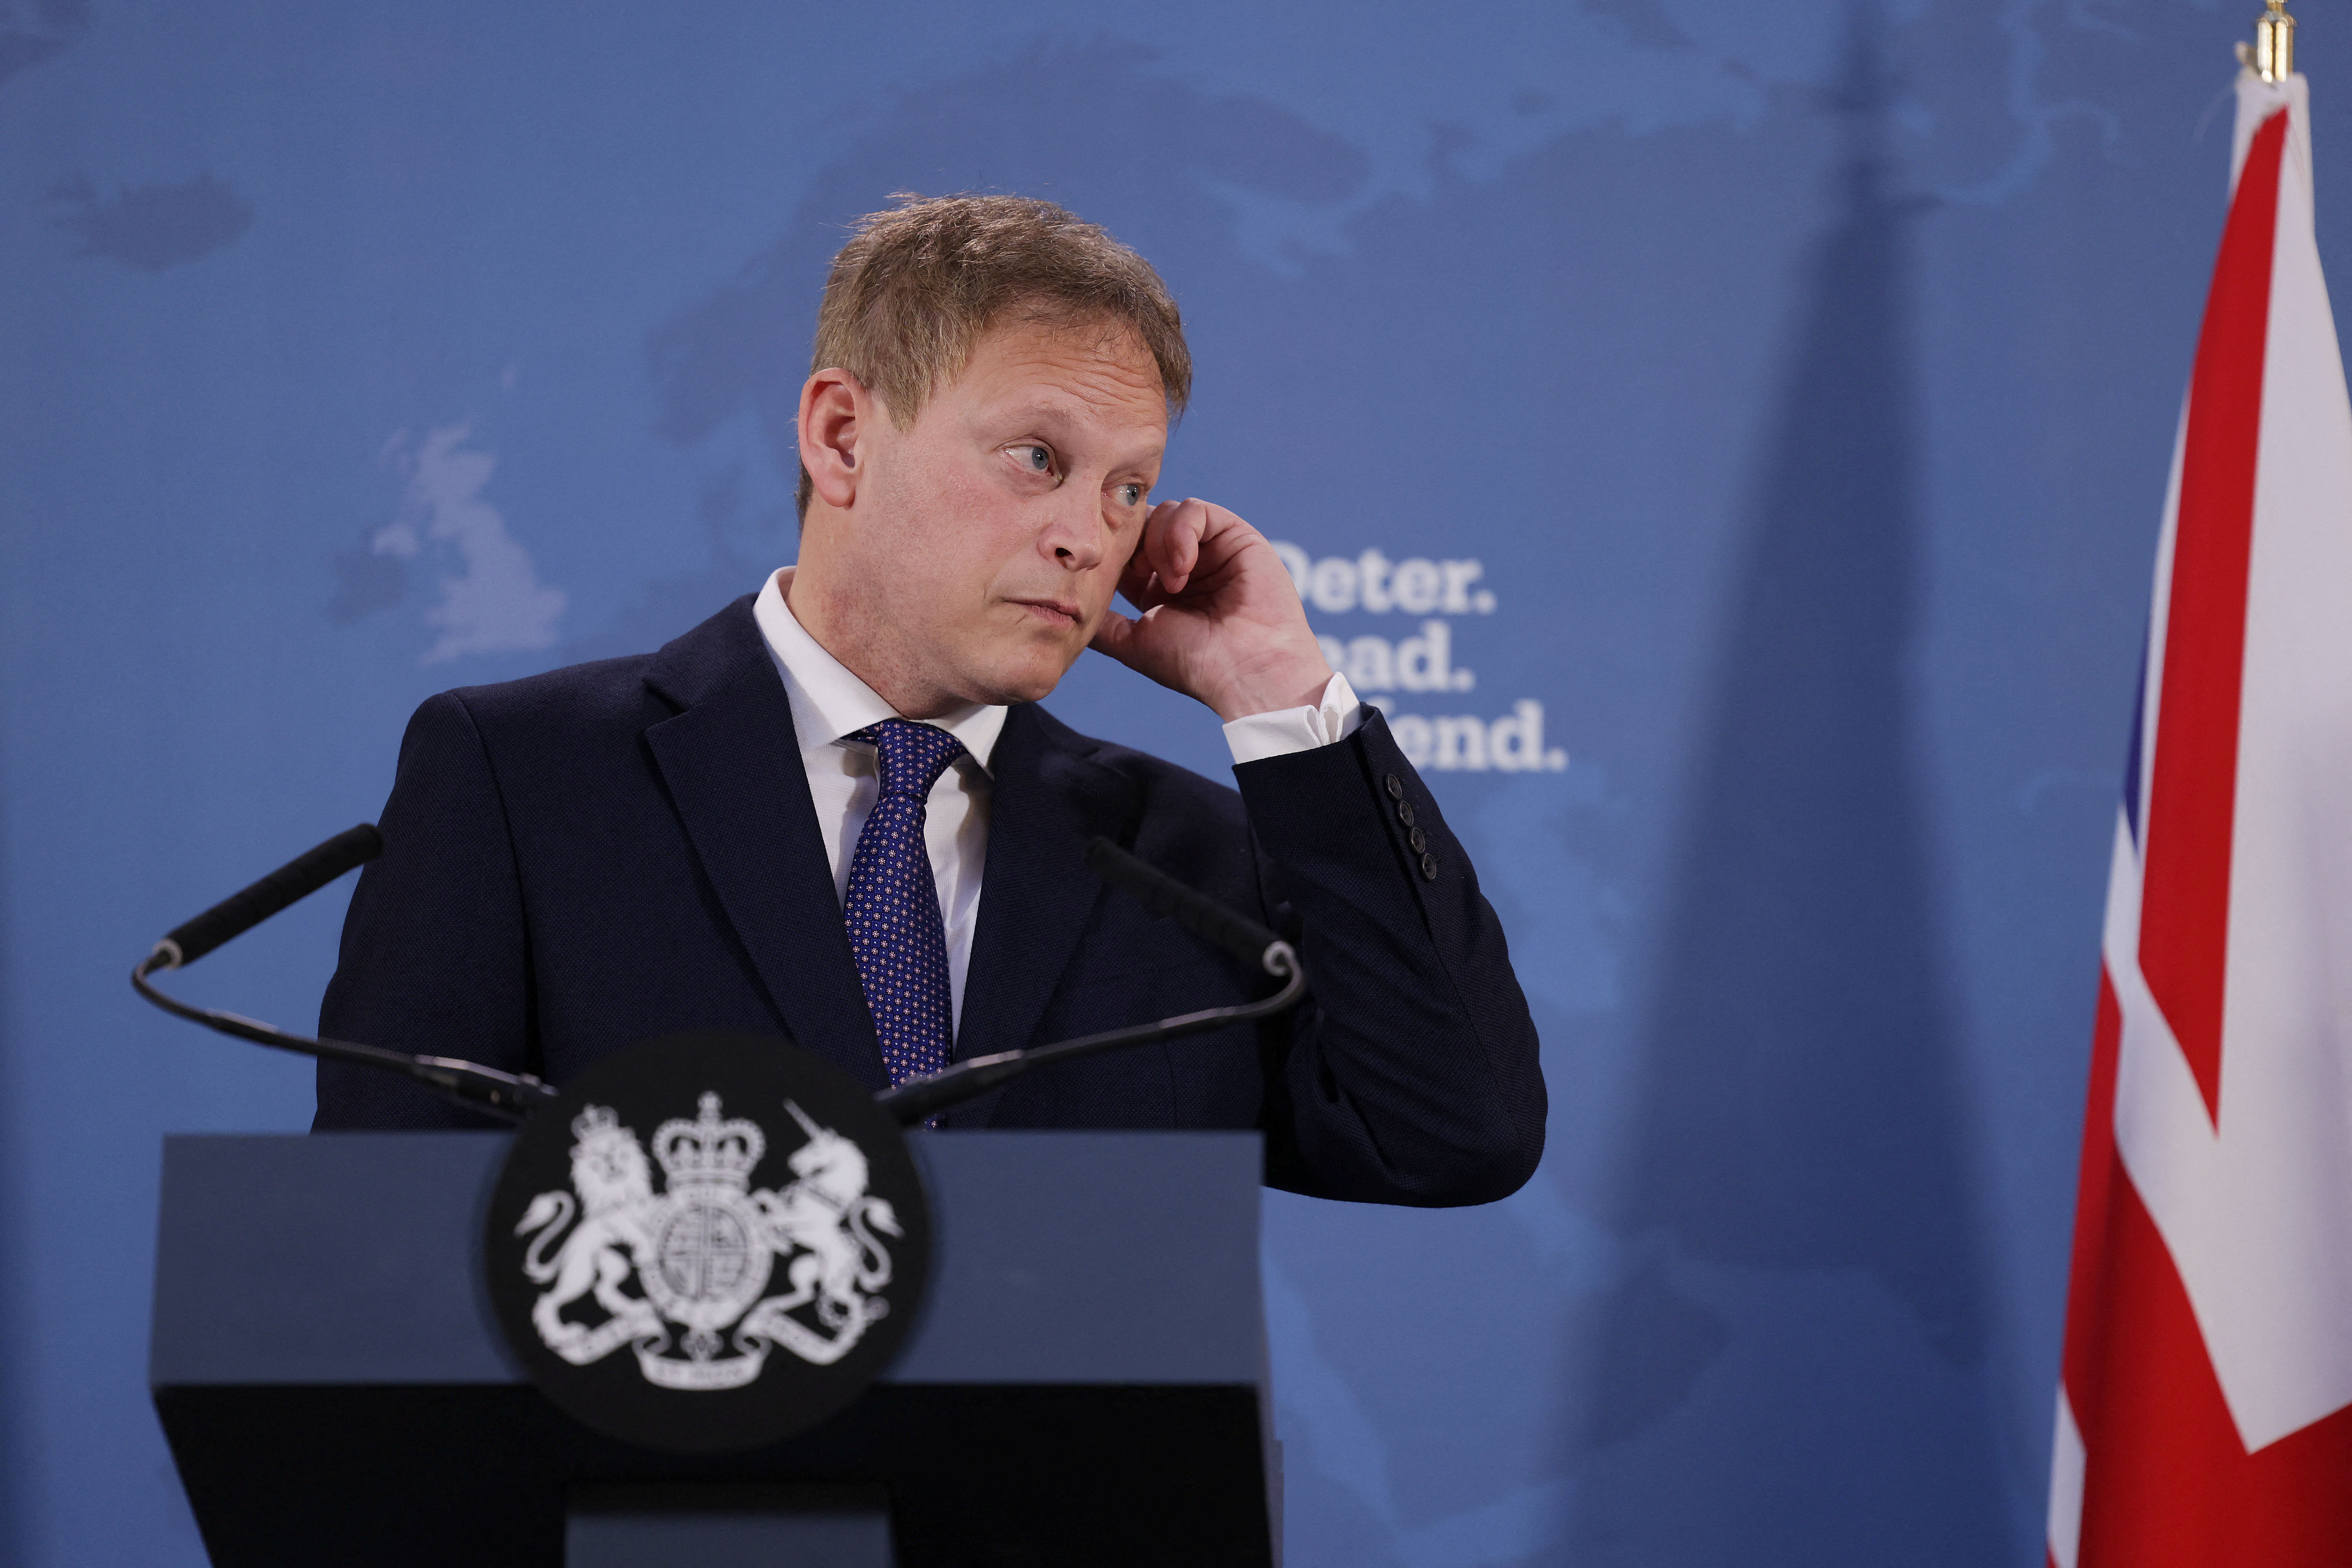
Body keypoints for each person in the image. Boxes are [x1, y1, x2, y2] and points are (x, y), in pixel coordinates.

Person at [315, 194, 1544, 1206]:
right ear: (843, 436)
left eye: (1130, 491)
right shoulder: (528, 782)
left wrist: (1283, 702)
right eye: (1040, 460)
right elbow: (384, 1253)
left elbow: (1456, 1133)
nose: (1089, 537)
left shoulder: (1179, 866)